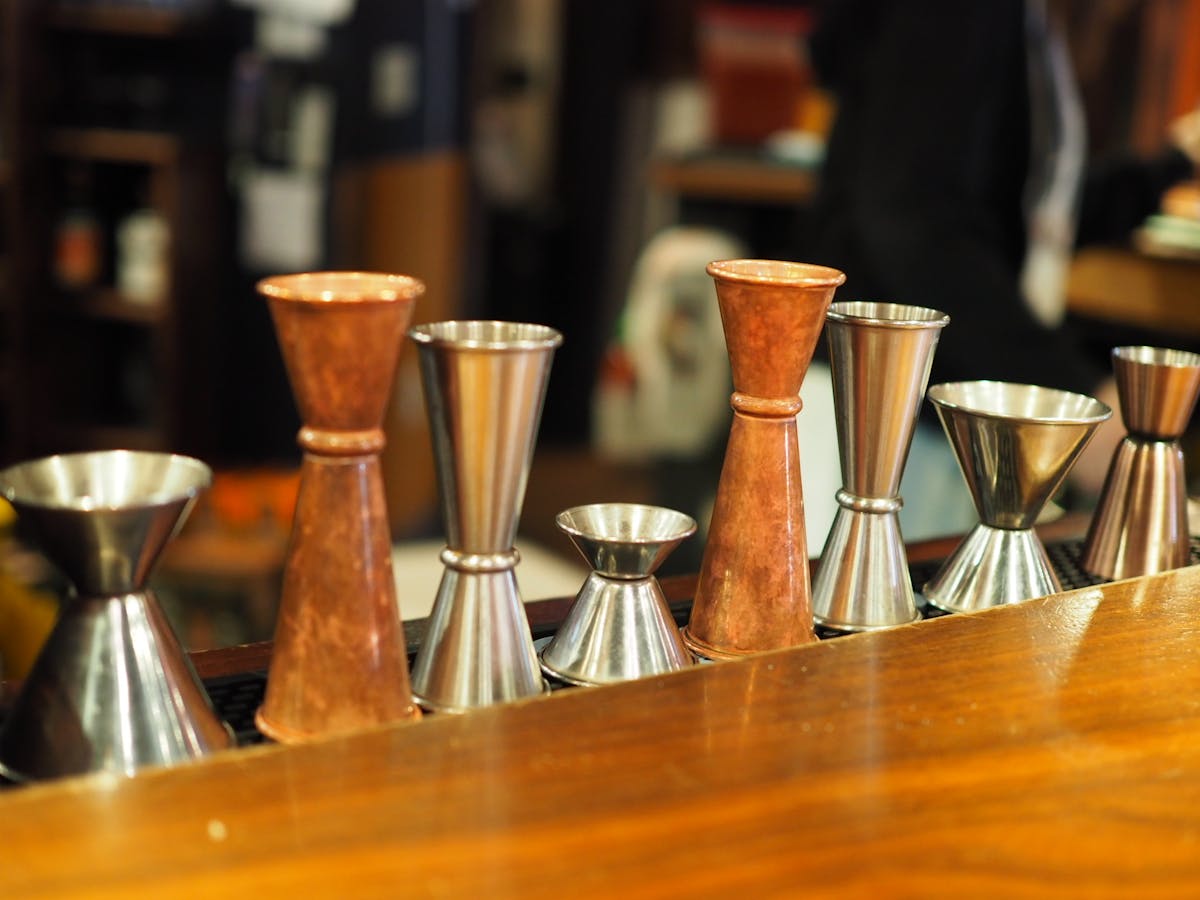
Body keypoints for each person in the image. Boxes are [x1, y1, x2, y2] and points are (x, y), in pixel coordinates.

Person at [798, 0, 1200, 541]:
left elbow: (1025, 217)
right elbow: (918, 224)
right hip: (887, 415)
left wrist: (1176, 162)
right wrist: (1070, 399)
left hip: (928, 404)